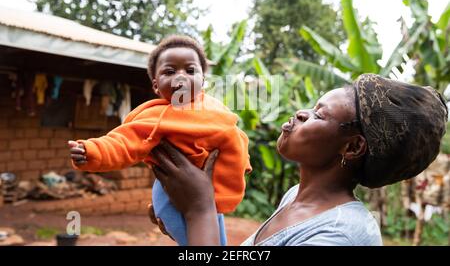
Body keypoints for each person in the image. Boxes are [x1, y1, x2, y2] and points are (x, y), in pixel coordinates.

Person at [148, 73, 448, 246]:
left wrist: (200, 211)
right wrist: (188, 223)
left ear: (353, 147)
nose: (302, 113)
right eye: (311, 107)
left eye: (319, 115)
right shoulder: (295, 198)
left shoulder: (339, 234)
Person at [68, 35, 251, 246]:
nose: (180, 77)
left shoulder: (216, 110)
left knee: (220, 242)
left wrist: (242, 165)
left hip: (209, 195)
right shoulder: (156, 116)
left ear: (203, 81)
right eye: (170, 71)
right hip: (170, 192)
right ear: (156, 85)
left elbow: (236, 137)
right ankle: (160, 211)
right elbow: (122, 142)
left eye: (190, 71)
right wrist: (91, 150)